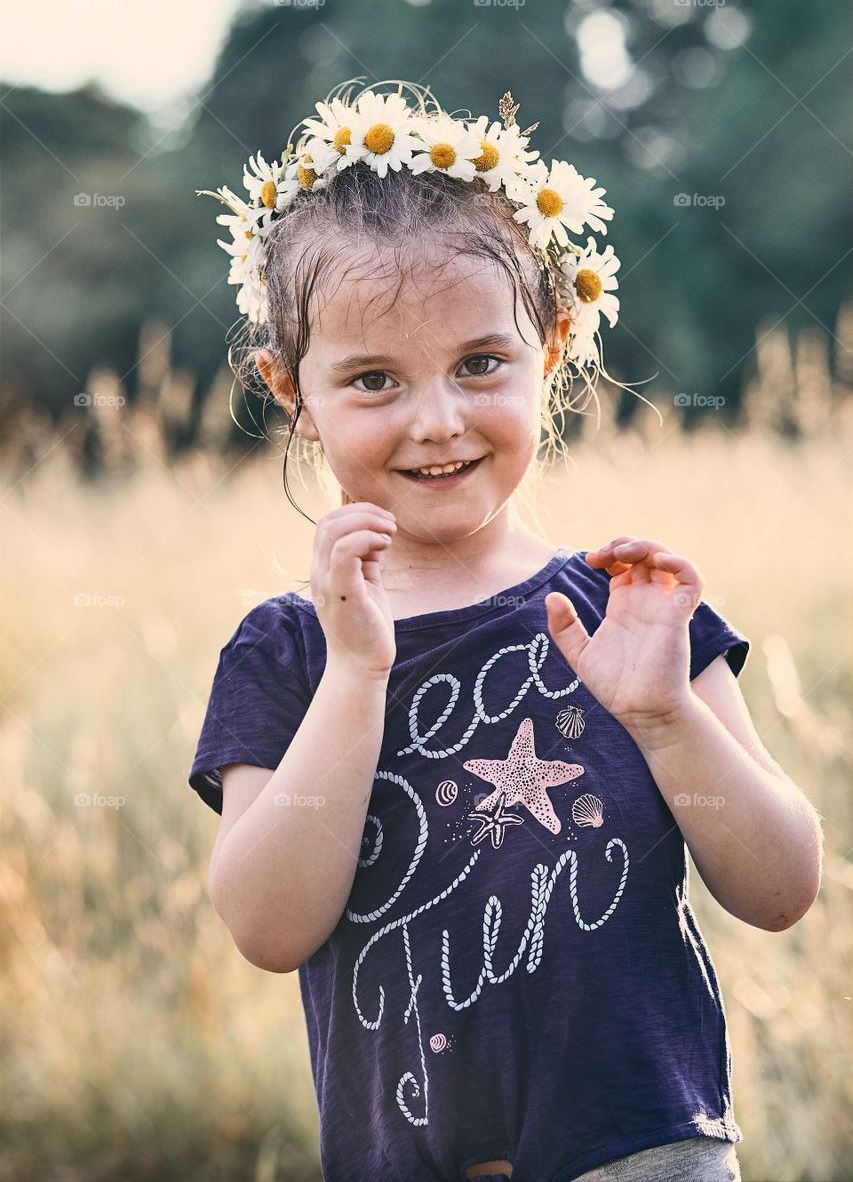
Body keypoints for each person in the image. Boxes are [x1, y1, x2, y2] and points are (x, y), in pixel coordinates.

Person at [188, 79, 823, 1182]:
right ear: (292, 391)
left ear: (556, 342)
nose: (437, 419)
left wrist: (667, 714)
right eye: (374, 379)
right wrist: (354, 674)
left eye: (481, 362)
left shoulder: (629, 606)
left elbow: (780, 890)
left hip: (644, 1153)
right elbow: (267, 925)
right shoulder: (290, 648)